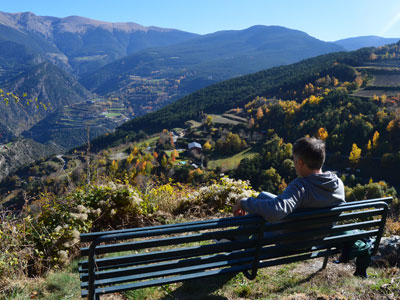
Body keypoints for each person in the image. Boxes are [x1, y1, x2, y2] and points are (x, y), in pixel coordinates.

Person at [233, 136, 345, 221]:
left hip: (293, 240)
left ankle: (236, 239)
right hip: (318, 235)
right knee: (262, 196)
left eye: (295, 161)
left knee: (261, 209)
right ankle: (236, 238)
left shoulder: (301, 187)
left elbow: (277, 210)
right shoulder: (337, 184)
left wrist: (244, 203)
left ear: (300, 163)